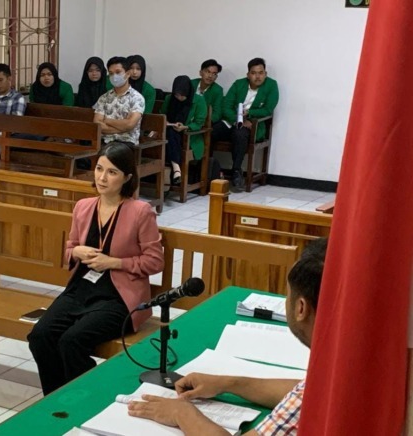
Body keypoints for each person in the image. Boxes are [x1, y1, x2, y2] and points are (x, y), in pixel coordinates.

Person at [128, 238, 327, 435]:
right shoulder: (337, 367)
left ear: (301, 308)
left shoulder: (313, 400)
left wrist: (182, 414)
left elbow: (305, 398)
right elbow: (306, 389)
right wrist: (229, 383)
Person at [28, 143, 164, 395]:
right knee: (40, 336)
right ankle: (57, 400)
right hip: (82, 289)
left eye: (112, 172)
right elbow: (70, 247)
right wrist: (76, 251)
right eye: (99, 169)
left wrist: (114, 262)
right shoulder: (83, 206)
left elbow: (155, 261)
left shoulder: (140, 211)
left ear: (127, 177)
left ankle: (89, 399)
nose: (102, 177)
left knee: (72, 341)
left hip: (119, 297)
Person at [211, 57, 279, 192]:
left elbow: (268, 109)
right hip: (232, 121)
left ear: (265, 74)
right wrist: (237, 120)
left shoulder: (271, 85)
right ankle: (208, 170)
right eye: (254, 73)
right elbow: (226, 106)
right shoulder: (239, 84)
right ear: (248, 75)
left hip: (252, 125)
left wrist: (250, 114)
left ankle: (236, 171)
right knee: (211, 131)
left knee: (240, 133)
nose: (258, 76)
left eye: (261, 73)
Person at [160, 75, 207, 186]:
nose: (179, 98)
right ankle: (175, 169)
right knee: (170, 133)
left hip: (188, 137)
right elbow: (162, 114)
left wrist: (185, 127)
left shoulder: (199, 100)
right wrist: (166, 123)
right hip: (168, 134)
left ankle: (174, 170)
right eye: (177, 95)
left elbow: (199, 123)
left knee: (170, 135)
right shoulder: (169, 99)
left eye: (183, 95)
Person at [92, 56, 145, 146]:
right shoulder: (104, 98)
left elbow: (130, 124)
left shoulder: (137, 98)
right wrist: (123, 127)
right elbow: (97, 124)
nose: (114, 76)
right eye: (111, 73)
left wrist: (107, 120)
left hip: (126, 143)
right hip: (104, 141)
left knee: (107, 155)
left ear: (128, 74)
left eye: (118, 72)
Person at [191, 59, 224, 124]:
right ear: (200, 73)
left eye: (214, 74)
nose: (210, 76)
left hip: (203, 122)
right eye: (208, 72)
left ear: (216, 77)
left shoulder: (218, 90)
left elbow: (217, 113)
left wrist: (205, 122)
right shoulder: (191, 84)